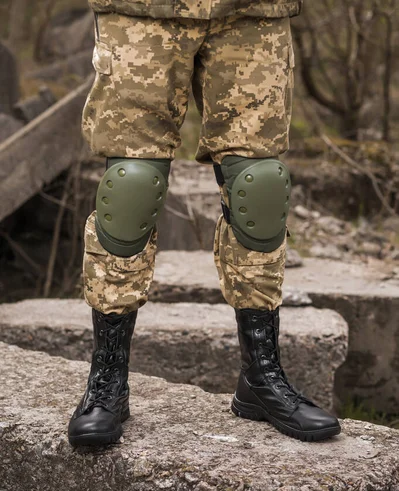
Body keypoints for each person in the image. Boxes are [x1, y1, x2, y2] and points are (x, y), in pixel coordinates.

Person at [68, 0, 341, 447]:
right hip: (142, 10)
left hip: (253, 9)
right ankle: (108, 382)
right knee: (130, 187)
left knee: (260, 187)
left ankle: (260, 376)